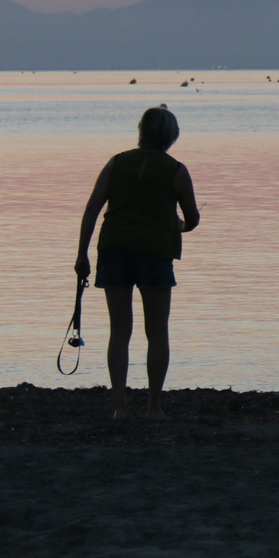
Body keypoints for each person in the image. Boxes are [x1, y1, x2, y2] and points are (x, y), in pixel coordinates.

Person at [74, 106, 200, 420]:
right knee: (156, 332)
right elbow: (193, 218)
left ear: (141, 130)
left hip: (114, 249)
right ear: (171, 136)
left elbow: (92, 209)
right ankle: (154, 407)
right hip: (155, 253)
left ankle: (120, 408)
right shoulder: (176, 170)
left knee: (119, 331)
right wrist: (179, 225)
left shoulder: (116, 163)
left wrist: (81, 255)